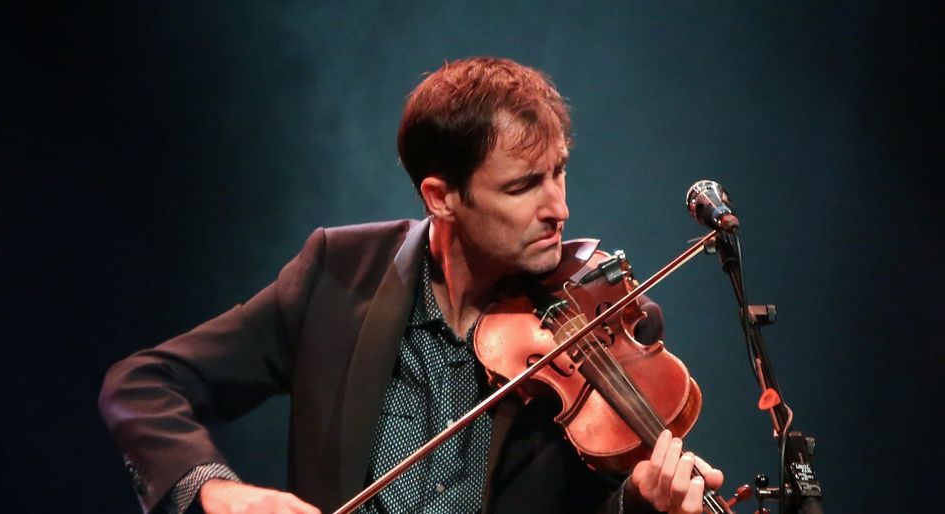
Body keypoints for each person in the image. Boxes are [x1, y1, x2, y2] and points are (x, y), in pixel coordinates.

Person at [99, 56, 725, 514]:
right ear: (441, 196)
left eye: (558, 173)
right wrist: (218, 491)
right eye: (522, 186)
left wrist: (642, 505)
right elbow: (143, 383)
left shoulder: (600, 323)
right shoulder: (337, 276)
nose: (558, 208)